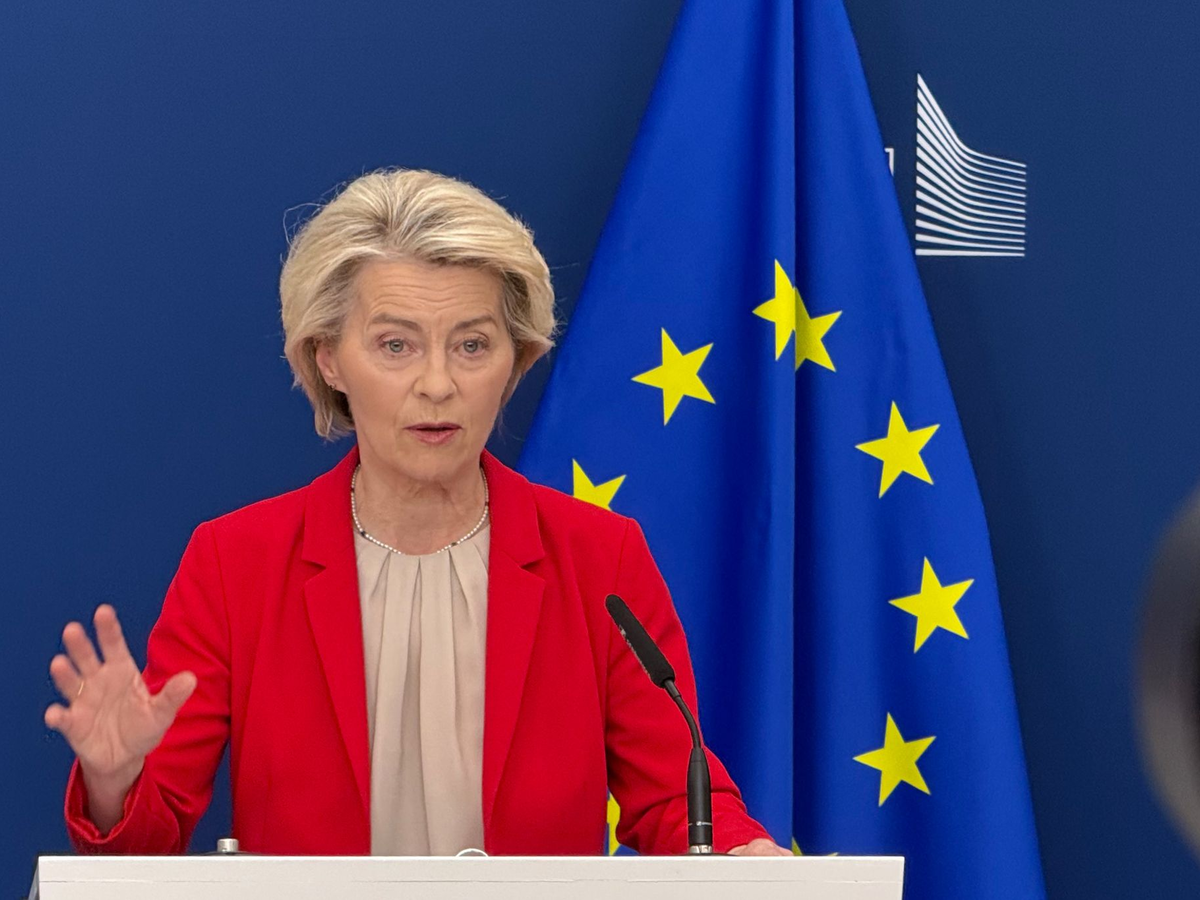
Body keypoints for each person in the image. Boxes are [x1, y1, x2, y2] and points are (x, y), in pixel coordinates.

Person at [44, 168, 788, 857]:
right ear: (329, 357)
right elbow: (144, 848)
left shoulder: (598, 556)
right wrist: (114, 782)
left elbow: (678, 800)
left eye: (472, 345)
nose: (437, 383)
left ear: (517, 360)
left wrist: (742, 857)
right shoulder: (237, 563)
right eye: (396, 345)